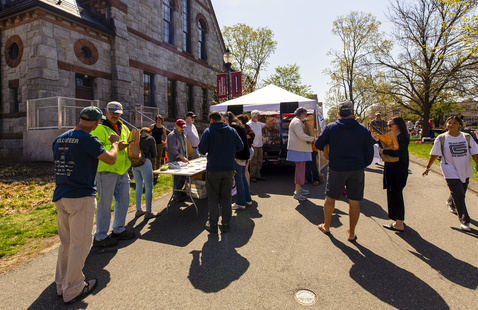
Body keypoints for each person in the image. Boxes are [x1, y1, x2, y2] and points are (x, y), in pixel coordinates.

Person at [52, 106, 119, 304]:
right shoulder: (88, 139)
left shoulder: (60, 138)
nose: (99, 124)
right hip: (81, 195)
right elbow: (110, 159)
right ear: (95, 122)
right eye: (98, 122)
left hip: (62, 194)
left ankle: (61, 283)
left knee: (66, 242)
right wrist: (114, 144)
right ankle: (73, 288)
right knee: (80, 244)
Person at [315, 100, 374, 241]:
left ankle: (327, 226)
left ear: (338, 113)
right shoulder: (363, 129)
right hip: (356, 168)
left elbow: (318, 144)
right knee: (354, 201)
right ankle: (351, 233)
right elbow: (370, 153)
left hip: (337, 168)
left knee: (330, 198)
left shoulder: (331, 128)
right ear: (353, 113)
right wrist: (362, 164)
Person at [422, 115, 478, 231]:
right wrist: (428, 167)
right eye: (449, 123)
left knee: (461, 190)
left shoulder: (467, 137)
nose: (451, 125)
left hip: (464, 168)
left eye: (454, 123)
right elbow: (434, 154)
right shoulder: (442, 138)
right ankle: (464, 220)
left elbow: (474, 153)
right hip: (449, 168)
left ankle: (451, 203)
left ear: (460, 126)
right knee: (459, 193)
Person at [91, 101, 135, 247]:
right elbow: (96, 149)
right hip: (106, 172)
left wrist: (135, 152)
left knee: (123, 200)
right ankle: (100, 236)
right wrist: (116, 146)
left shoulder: (124, 127)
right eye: (112, 112)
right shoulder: (98, 128)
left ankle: (119, 229)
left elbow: (130, 143)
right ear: (106, 111)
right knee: (105, 204)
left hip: (122, 170)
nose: (115, 115)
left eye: (118, 113)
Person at [198, 111, 244, 233]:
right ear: (221, 119)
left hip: (213, 168)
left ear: (211, 120)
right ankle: (226, 224)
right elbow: (241, 146)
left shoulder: (209, 131)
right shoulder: (231, 131)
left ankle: (213, 223)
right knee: (226, 197)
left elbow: (201, 149)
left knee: (213, 197)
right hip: (228, 168)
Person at [379, 117, 410, 232]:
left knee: (396, 195)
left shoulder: (402, 137)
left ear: (398, 125)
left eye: (390, 125)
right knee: (393, 194)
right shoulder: (396, 136)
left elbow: (398, 152)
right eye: (388, 125)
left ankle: (399, 222)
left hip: (397, 170)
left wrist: (383, 151)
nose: (389, 127)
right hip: (392, 169)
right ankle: (398, 220)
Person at [287, 107, 316, 201]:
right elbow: (301, 135)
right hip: (298, 149)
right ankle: (297, 191)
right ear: (302, 114)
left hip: (299, 149)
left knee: (300, 170)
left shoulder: (296, 121)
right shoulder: (297, 122)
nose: (306, 116)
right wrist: (312, 139)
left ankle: (299, 188)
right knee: (300, 171)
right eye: (305, 114)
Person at [225, 111, 252, 210]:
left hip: (238, 156)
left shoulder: (233, 127)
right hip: (245, 155)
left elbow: (233, 143)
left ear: (227, 119)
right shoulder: (239, 126)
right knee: (243, 178)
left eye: (224, 120)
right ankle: (248, 199)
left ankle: (240, 202)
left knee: (239, 178)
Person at [132, 127, 159, 220]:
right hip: (145, 162)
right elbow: (155, 154)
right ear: (149, 132)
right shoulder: (150, 139)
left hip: (135, 163)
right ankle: (148, 211)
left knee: (138, 186)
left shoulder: (135, 138)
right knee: (148, 186)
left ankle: (138, 209)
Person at [167, 119, 189, 201]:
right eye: (181, 127)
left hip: (183, 160)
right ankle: (176, 194)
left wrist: (185, 157)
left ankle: (179, 191)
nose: (182, 129)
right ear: (176, 126)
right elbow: (173, 150)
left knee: (183, 177)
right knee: (177, 178)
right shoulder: (171, 136)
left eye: (183, 127)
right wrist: (182, 157)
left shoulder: (183, 134)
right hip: (175, 160)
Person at [247, 110, 266, 182]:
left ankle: (258, 175)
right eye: (259, 116)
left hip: (259, 145)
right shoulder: (249, 124)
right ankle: (253, 176)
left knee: (259, 161)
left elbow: (267, 124)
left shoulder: (259, 123)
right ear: (254, 116)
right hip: (253, 145)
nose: (259, 117)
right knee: (253, 161)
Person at [237, 114, 255, 187]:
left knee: (244, 171)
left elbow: (251, 135)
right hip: (249, 149)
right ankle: (248, 188)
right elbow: (252, 135)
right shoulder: (247, 127)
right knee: (246, 171)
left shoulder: (242, 128)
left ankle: (246, 189)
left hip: (245, 150)